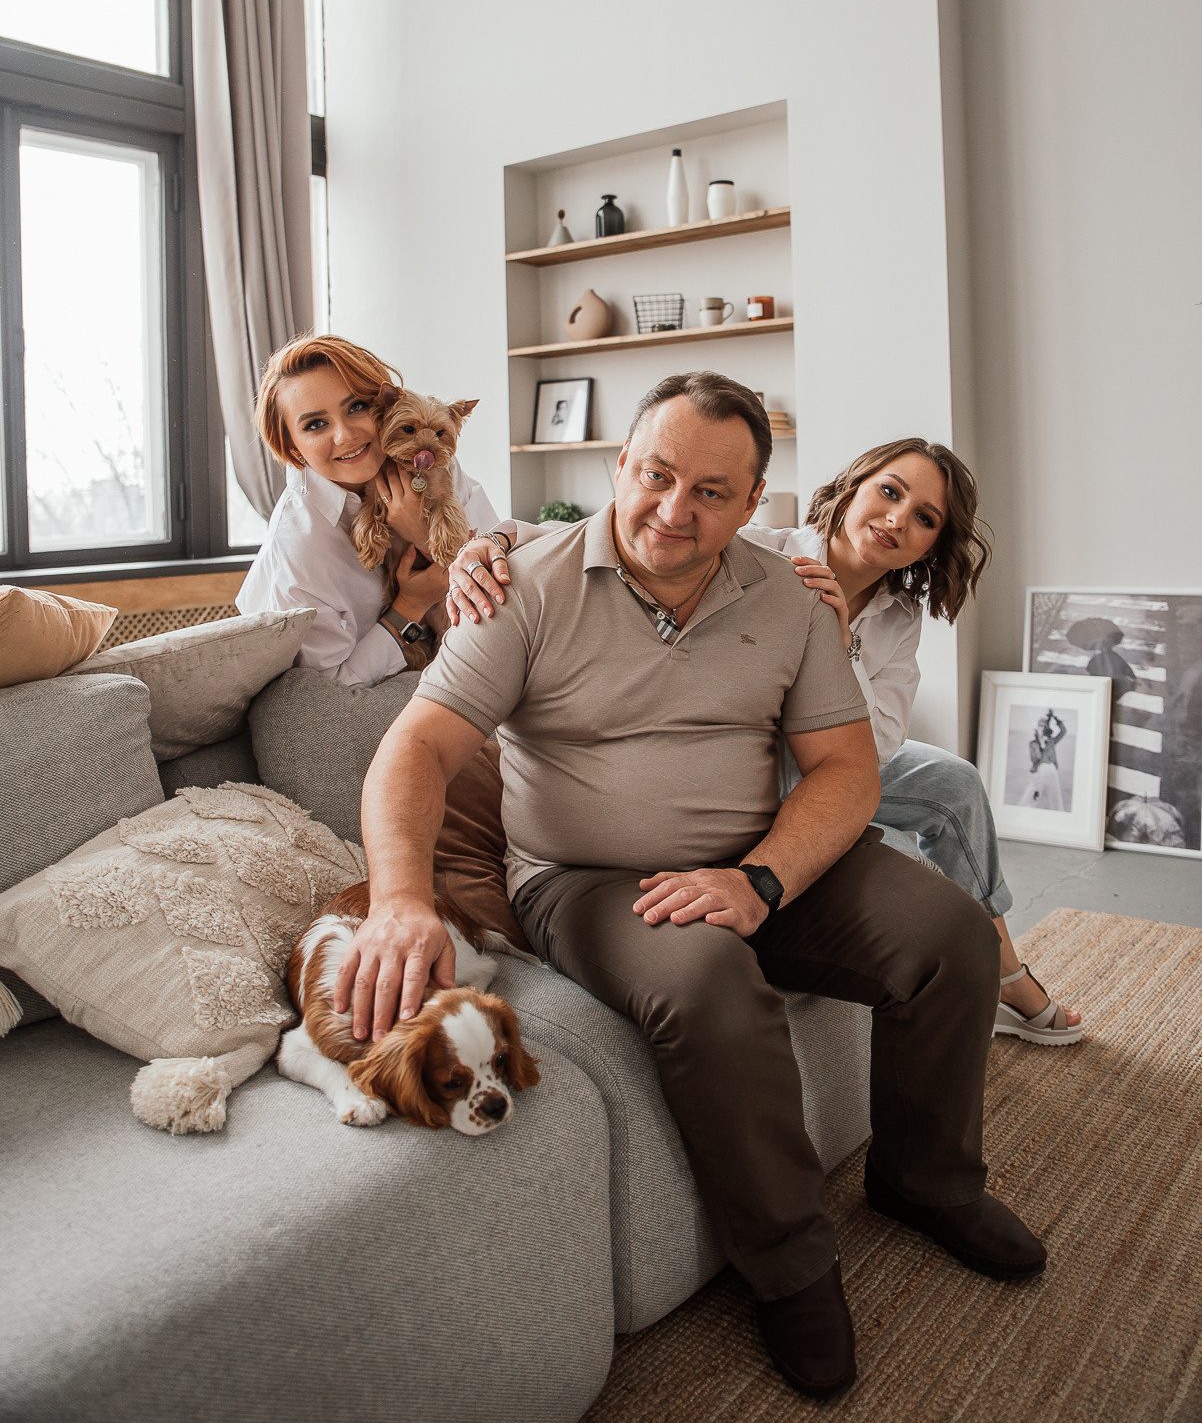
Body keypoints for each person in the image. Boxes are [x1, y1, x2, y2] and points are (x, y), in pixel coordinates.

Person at [339, 373, 1045, 1400]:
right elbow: (418, 747)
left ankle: (923, 1183)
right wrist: (401, 896)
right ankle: (791, 1269)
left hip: (760, 860)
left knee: (949, 935)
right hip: (587, 881)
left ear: (752, 502)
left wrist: (761, 876)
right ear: (618, 467)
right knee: (708, 987)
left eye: (711, 493)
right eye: (656, 476)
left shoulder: (788, 596)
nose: (674, 512)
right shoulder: (518, 581)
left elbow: (846, 768)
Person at [450, 434, 1084, 1048]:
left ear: (932, 544)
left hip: (831, 761)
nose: (896, 519)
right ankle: (1009, 977)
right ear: (850, 488)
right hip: (743, 757)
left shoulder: (897, 615)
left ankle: (998, 967)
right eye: (888, 491)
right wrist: (492, 540)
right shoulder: (759, 548)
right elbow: (594, 533)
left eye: (923, 518)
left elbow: (880, 745)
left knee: (954, 782)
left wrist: (836, 653)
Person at [236, 333, 538, 687]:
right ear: (293, 448)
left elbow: (505, 585)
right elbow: (334, 688)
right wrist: (411, 604)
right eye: (316, 424)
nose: (345, 436)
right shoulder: (301, 545)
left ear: (386, 404)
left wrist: (423, 538)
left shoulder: (431, 466)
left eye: (356, 407)